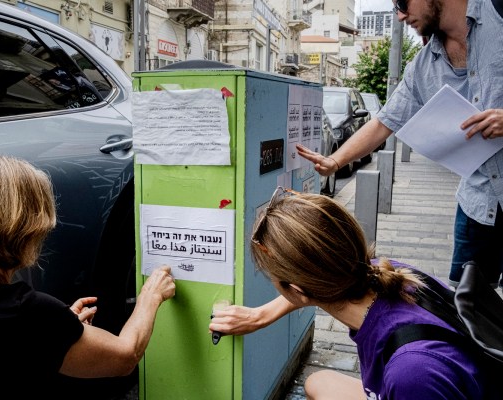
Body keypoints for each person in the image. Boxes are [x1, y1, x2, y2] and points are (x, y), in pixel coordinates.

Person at [0, 154, 175, 398]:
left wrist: (58, 331)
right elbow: (125, 358)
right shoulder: (28, 313)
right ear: (25, 229)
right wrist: (150, 297)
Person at [210, 187, 494, 399]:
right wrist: (261, 315)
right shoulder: (384, 271)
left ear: (297, 290)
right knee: (318, 384)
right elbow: (313, 283)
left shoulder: (412, 373)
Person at [296, 0, 503, 289]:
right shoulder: (422, 67)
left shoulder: (498, 13)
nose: (400, 15)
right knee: (470, 310)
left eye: (402, 2)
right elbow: (383, 122)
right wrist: (335, 161)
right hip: (478, 204)